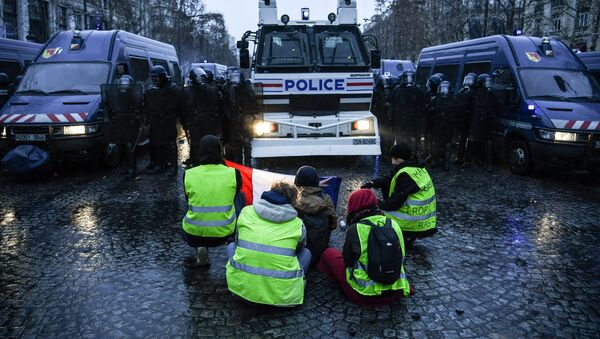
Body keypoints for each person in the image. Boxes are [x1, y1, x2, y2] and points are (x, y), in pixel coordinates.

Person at [317, 188, 412, 306]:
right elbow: (401, 255)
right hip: (395, 291)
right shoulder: (393, 224)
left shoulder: (355, 228)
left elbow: (348, 261)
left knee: (329, 253)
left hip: (363, 294)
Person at [226, 181, 311, 307]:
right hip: (282, 297)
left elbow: (238, 242)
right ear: (292, 201)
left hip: (241, 291)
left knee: (231, 246)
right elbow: (299, 248)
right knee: (306, 253)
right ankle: (297, 283)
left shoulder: (246, 212)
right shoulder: (297, 224)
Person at [181, 135, 243, 268]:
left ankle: (201, 247)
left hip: (194, 234)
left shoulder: (189, 174)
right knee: (239, 197)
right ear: (220, 151)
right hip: (225, 232)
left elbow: (189, 201)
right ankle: (233, 244)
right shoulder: (233, 173)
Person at [362, 143, 437, 245]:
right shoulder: (414, 168)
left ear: (404, 158)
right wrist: (373, 183)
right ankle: (407, 235)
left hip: (410, 222)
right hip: (424, 222)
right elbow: (390, 178)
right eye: (392, 158)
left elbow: (394, 203)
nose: (393, 162)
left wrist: (375, 203)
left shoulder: (405, 174)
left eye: (396, 159)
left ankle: (400, 235)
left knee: (373, 213)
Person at [292, 166, 337, 266]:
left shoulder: (292, 199)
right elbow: (334, 224)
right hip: (319, 251)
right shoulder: (326, 199)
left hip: (296, 251)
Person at [103, 75, 144, 178]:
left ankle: (132, 168)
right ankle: (124, 167)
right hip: (119, 121)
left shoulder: (134, 94)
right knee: (120, 144)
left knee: (130, 145)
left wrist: (138, 117)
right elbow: (111, 104)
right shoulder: (117, 94)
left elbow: (139, 107)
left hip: (130, 122)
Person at [145, 65, 182, 175]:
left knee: (171, 143)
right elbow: (148, 105)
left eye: (157, 77)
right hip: (157, 120)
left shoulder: (173, 89)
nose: (155, 80)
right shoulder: (153, 90)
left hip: (168, 120)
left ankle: (173, 167)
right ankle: (160, 165)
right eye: (154, 77)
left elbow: (180, 105)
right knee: (158, 143)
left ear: (162, 76)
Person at [182, 67, 222, 167]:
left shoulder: (211, 90)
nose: (202, 79)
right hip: (196, 124)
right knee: (196, 145)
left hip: (207, 123)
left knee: (208, 143)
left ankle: (210, 162)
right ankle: (197, 162)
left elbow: (218, 106)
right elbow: (183, 108)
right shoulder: (188, 91)